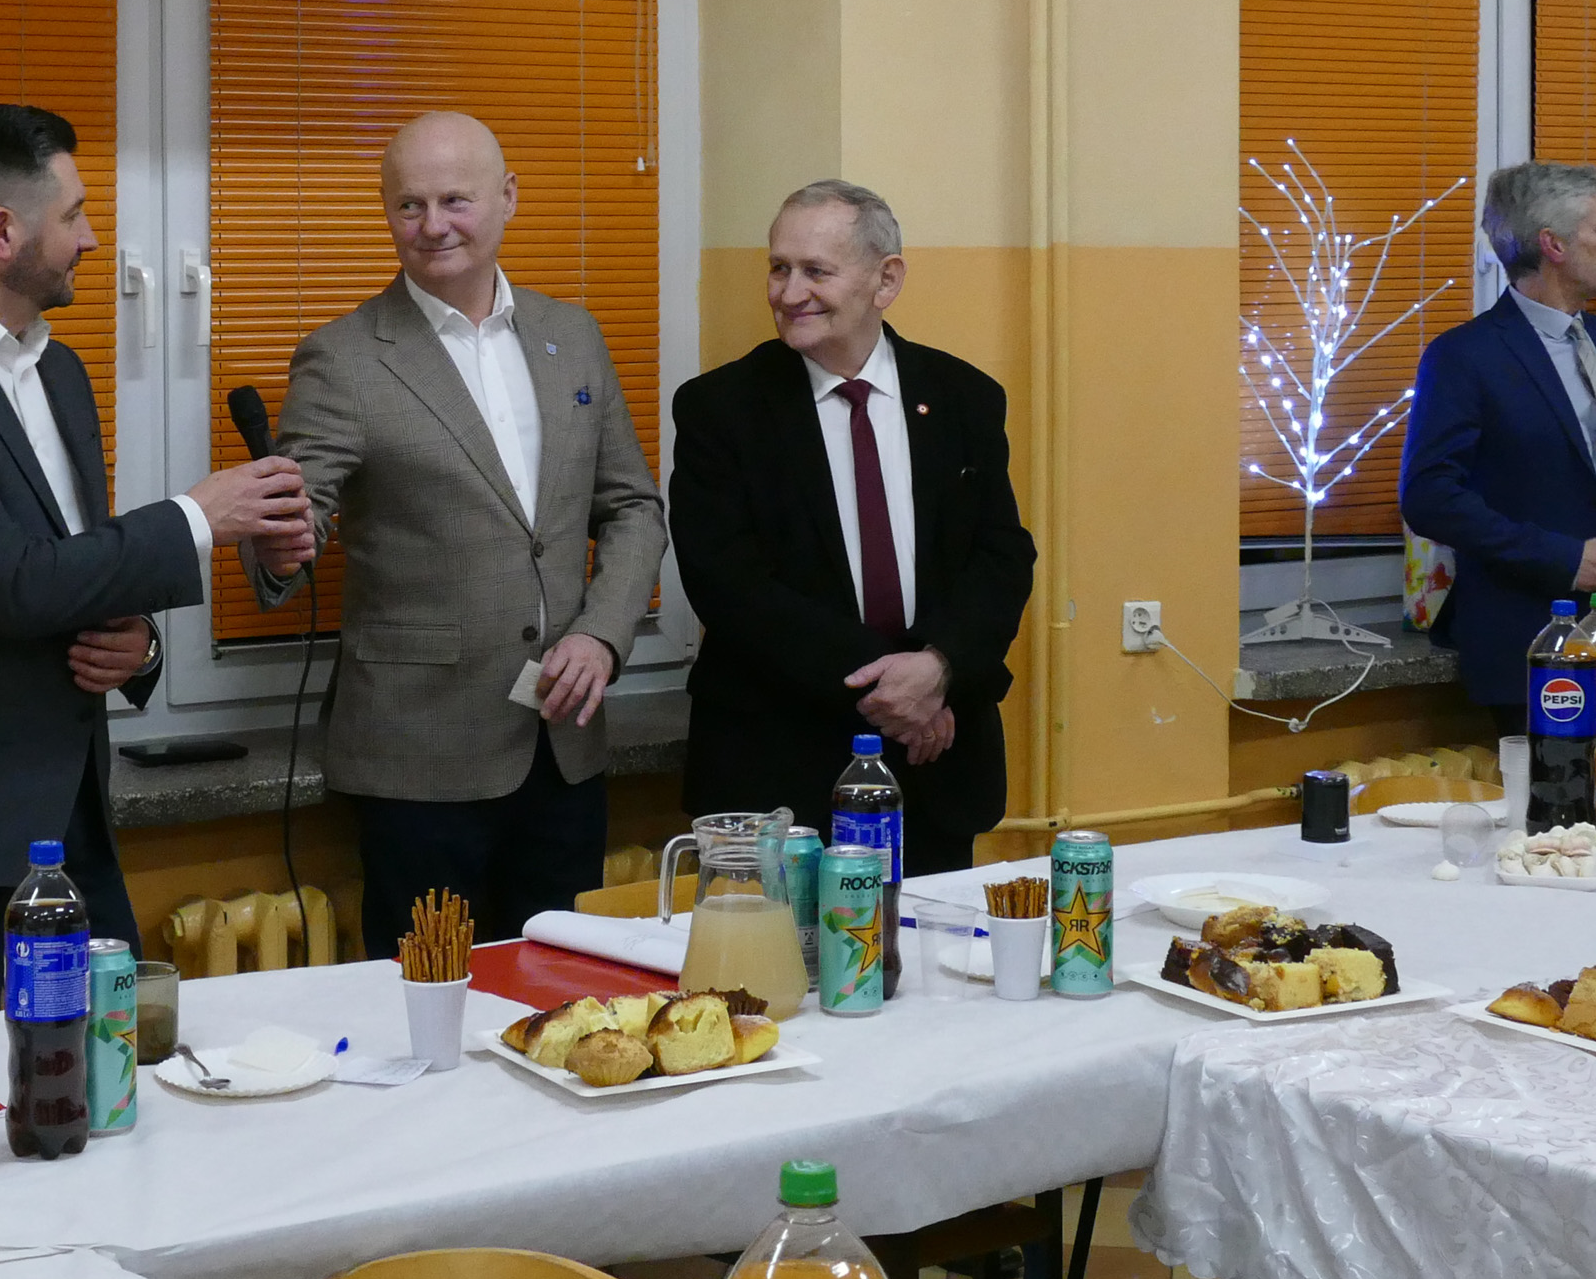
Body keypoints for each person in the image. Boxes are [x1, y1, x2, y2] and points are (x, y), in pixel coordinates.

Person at [0, 104, 311, 1027]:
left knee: (110, 1077)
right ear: (3, 231)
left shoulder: (60, 372)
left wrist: (138, 647)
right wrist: (199, 517)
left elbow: (72, 571)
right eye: (75, 214)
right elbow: (13, 582)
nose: (91, 239)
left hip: (70, 822)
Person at [255, 112, 667, 954]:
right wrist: (280, 542)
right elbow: (296, 527)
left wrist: (602, 634)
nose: (433, 224)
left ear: (508, 197)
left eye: (455, 200)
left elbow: (632, 506)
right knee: (428, 1005)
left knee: (564, 994)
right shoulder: (343, 358)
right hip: (419, 759)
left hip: (564, 745)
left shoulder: (573, 337)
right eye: (409, 205)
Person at [666, 181, 1037, 879]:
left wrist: (939, 668)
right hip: (778, 775)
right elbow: (729, 584)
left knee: (929, 949)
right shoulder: (721, 409)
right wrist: (900, 689)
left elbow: (1001, 556)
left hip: (934, 773)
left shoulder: (964, 398)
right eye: (779, 268)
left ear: (885, 279)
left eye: (816, 270)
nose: (789, 292)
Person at [1398, 162, 1596, 731]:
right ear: (1554, 245)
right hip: (1536, 632)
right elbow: (1430, 496)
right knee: (1559, 790)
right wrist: (1564, 557)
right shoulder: (1465, 356)